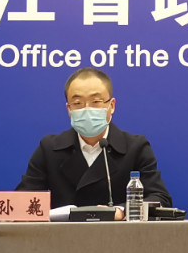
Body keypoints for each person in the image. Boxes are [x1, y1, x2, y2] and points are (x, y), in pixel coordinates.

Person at [16, 67, 171, 219]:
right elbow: (21, 202)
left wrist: (122, 211)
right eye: (77, 103)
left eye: (96, 101)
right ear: (69, 109)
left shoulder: (135, 148)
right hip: (64, 234)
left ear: (111, 106)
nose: (87, 109)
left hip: (118, 234)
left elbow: (160, 198)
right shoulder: (49, 149)